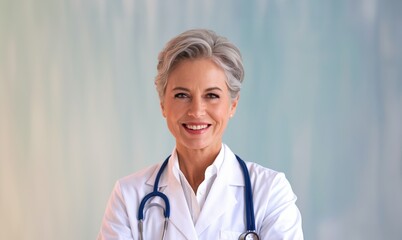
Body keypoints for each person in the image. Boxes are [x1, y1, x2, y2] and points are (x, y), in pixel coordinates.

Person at [98, 29, 303, 240]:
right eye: (181, 95)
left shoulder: (270, 192)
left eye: (212, 95)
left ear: (233, 105)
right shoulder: (128, 196)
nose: (196, 111)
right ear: (163, 105)